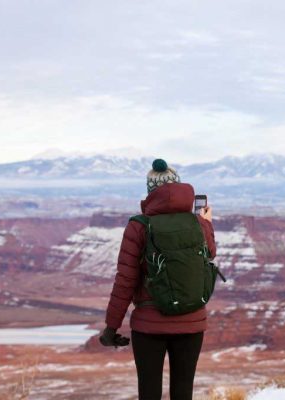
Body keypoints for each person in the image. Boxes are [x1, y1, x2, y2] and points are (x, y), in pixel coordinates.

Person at [99, 158, 217, 400]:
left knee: (149, 391)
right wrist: (207, 223)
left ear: (151, 192)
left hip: (148, 325)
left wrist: (111, 327)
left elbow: (125, 280)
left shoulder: (139, 226)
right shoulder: (197, 222)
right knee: (183, 391)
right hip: (192, 322)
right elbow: (210, 254)